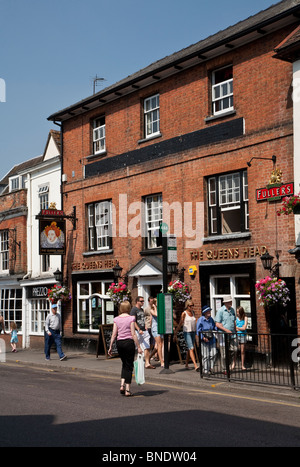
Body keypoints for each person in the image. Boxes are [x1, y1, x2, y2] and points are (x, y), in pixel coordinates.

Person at [108, 301, 142, 397]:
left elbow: (114, 334)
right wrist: (138, 347)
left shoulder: (116, 319)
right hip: (129, 343)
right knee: (129, 366)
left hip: (119, 343)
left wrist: (110, 346)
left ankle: (121, 385)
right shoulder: (131, 318)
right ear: (128, 308)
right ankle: (127, 390)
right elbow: (133, 334)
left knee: (124, 364)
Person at [130, 296, 155, 369]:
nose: (143, 302)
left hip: (144, 330)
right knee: (138, 348)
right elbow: (133, 321)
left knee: (147, 347)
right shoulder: (134, 310)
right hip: (137, 332)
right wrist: (138, 329)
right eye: (141, 301)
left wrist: (145, 326)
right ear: (137, 301)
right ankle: (137, 363)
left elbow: (142, 319)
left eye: (143, 301)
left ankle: (147, 363)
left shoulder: (141, 310)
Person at [174, 299, 199, 371]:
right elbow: (180, 323)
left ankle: (187, 364)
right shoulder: (184, 313)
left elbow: (195, 322)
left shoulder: (193, 313)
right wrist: (176, 332)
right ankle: (195, 365)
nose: (192, 307)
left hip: (193, 331)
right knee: (191, 348)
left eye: (193, 305)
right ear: (187, 306)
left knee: (189, 348)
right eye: (190, 306)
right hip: (187, 332)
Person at [215, 295, 237, 372]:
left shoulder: (232, 310)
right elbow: (217, 324)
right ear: (226, 302)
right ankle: (224, 369)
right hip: (223, 335)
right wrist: (226, 330)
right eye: (230, 301)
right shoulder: (220, 311)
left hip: (232, 334)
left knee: (234, 349)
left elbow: (234, 320)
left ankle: (229, 365)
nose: (231, 302)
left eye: (231, 301)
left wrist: (235, 330)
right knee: (223, 353)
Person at [196, 305, 217, 375]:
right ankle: (205, 370)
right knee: (205, 356)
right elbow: (198, 331)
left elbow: (214, 327)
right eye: (207, 311)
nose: (209, 312)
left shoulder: (211, 319)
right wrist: (203, 338)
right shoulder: (200, 320)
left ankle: (210, 368)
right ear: (204, 312)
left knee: (214, 354)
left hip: (212, 339)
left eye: (209, 311)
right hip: (204, 340)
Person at [149, 297, 164, 367]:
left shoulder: (160, 309)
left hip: (161, 327)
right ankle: (162, 362)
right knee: (159, 344)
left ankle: (149, 357)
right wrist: (155, 307)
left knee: (158, 346)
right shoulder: (152, 310)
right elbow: (156, 314)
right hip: (155, 329)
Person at [236, 306, 248, 370]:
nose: (237, 313)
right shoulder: (236, 318)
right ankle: (233, 364)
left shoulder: (245, 317)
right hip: (237, 335)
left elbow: (244, 328)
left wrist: (238, 328)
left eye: (238, 312)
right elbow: (234, 327)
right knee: (235, 350)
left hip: (243, 335)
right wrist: (240, 328)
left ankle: (242, 365)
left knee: (242, 350)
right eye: (237, 312)